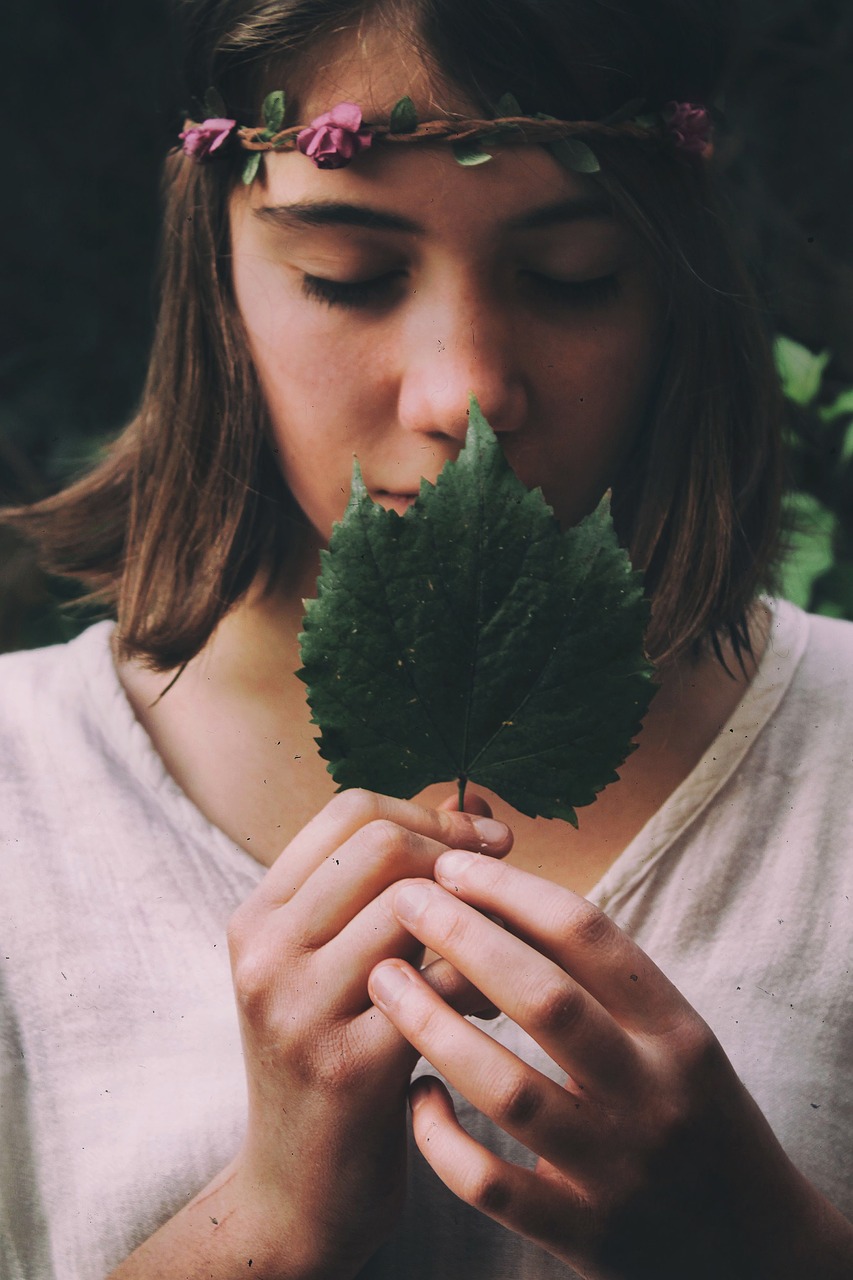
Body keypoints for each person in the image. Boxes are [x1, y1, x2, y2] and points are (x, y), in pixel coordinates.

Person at [1, 0, 852, 1276]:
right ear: (213, 267)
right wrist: (272, 1221)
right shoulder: (26, 798)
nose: (466, 393)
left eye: (571, 277)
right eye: (349, 276)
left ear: (674, 280)